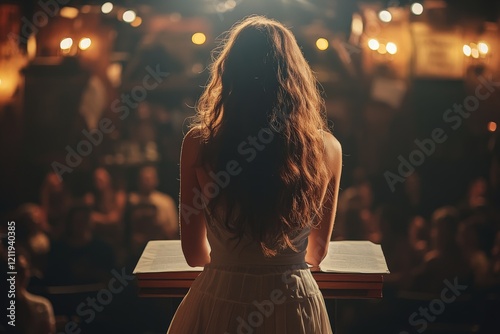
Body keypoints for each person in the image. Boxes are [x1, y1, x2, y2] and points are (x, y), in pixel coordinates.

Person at [167, 16, 342, 334]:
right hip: (294, 300)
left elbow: (194, 255)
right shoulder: (326, 148)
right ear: (296, 79)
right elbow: (316, 254)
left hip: (223, 294)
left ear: (229, 75)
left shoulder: (200, 143)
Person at [129, 166, 179, 239]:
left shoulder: (166, 201)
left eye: (149, 179)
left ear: (156, 180)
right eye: (144, 179)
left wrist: (159, 225)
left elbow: (174, 229)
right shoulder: (131, 200)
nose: (146, 182)